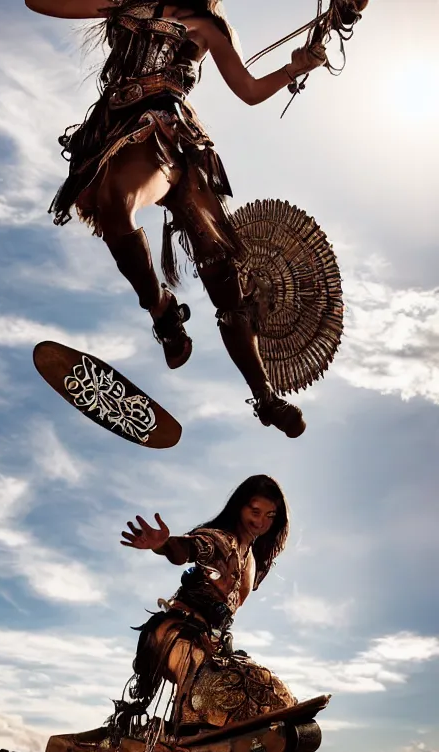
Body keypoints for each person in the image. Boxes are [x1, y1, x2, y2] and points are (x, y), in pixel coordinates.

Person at [24, 0, 326, 438]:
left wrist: (295, 68)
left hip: (172, 135)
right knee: (113, 206)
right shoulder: (124, 2)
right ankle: (163, 312)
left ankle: (264, 396)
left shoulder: (207, 27)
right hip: (115, 128)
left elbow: (249, 90)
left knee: (223, 276)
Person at [114, 474, 296, 740]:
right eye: (255, 511)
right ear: (239, 507)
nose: (260, 522)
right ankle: (184, 740)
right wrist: (165, 545)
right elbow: (190, 548)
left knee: (267, 689)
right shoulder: (221, 539)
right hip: (175, 634)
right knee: (202, 680)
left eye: (270, 515)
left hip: (212, 645)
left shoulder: (253, 561)